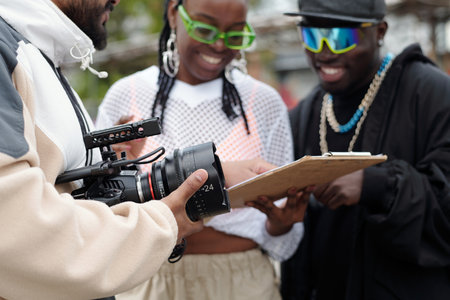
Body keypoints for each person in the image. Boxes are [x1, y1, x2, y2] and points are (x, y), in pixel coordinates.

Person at [0, 0, 271, 299]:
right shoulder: (8, 53)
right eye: (206, 28)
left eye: (234, 34)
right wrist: (165, 220)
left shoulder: (36, 54)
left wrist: (114, 163)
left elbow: (69, 195)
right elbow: (15, 228)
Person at [95, 0, 310, 299]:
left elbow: (280, 236)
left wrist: (281, 224)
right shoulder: (128, 95)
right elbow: (96, 208)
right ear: (173, 14)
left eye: (234, 35)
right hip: (150, 282)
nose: (220, 45)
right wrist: (117, 165)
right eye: (206, 29)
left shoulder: (263, 102)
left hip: (241, 283)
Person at [281, 0, 450, 299]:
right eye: (311, 35)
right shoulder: (304, 114)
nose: (324, 51)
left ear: (380, 31)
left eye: (341, 38)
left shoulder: (432, 94)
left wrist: (375, 185)